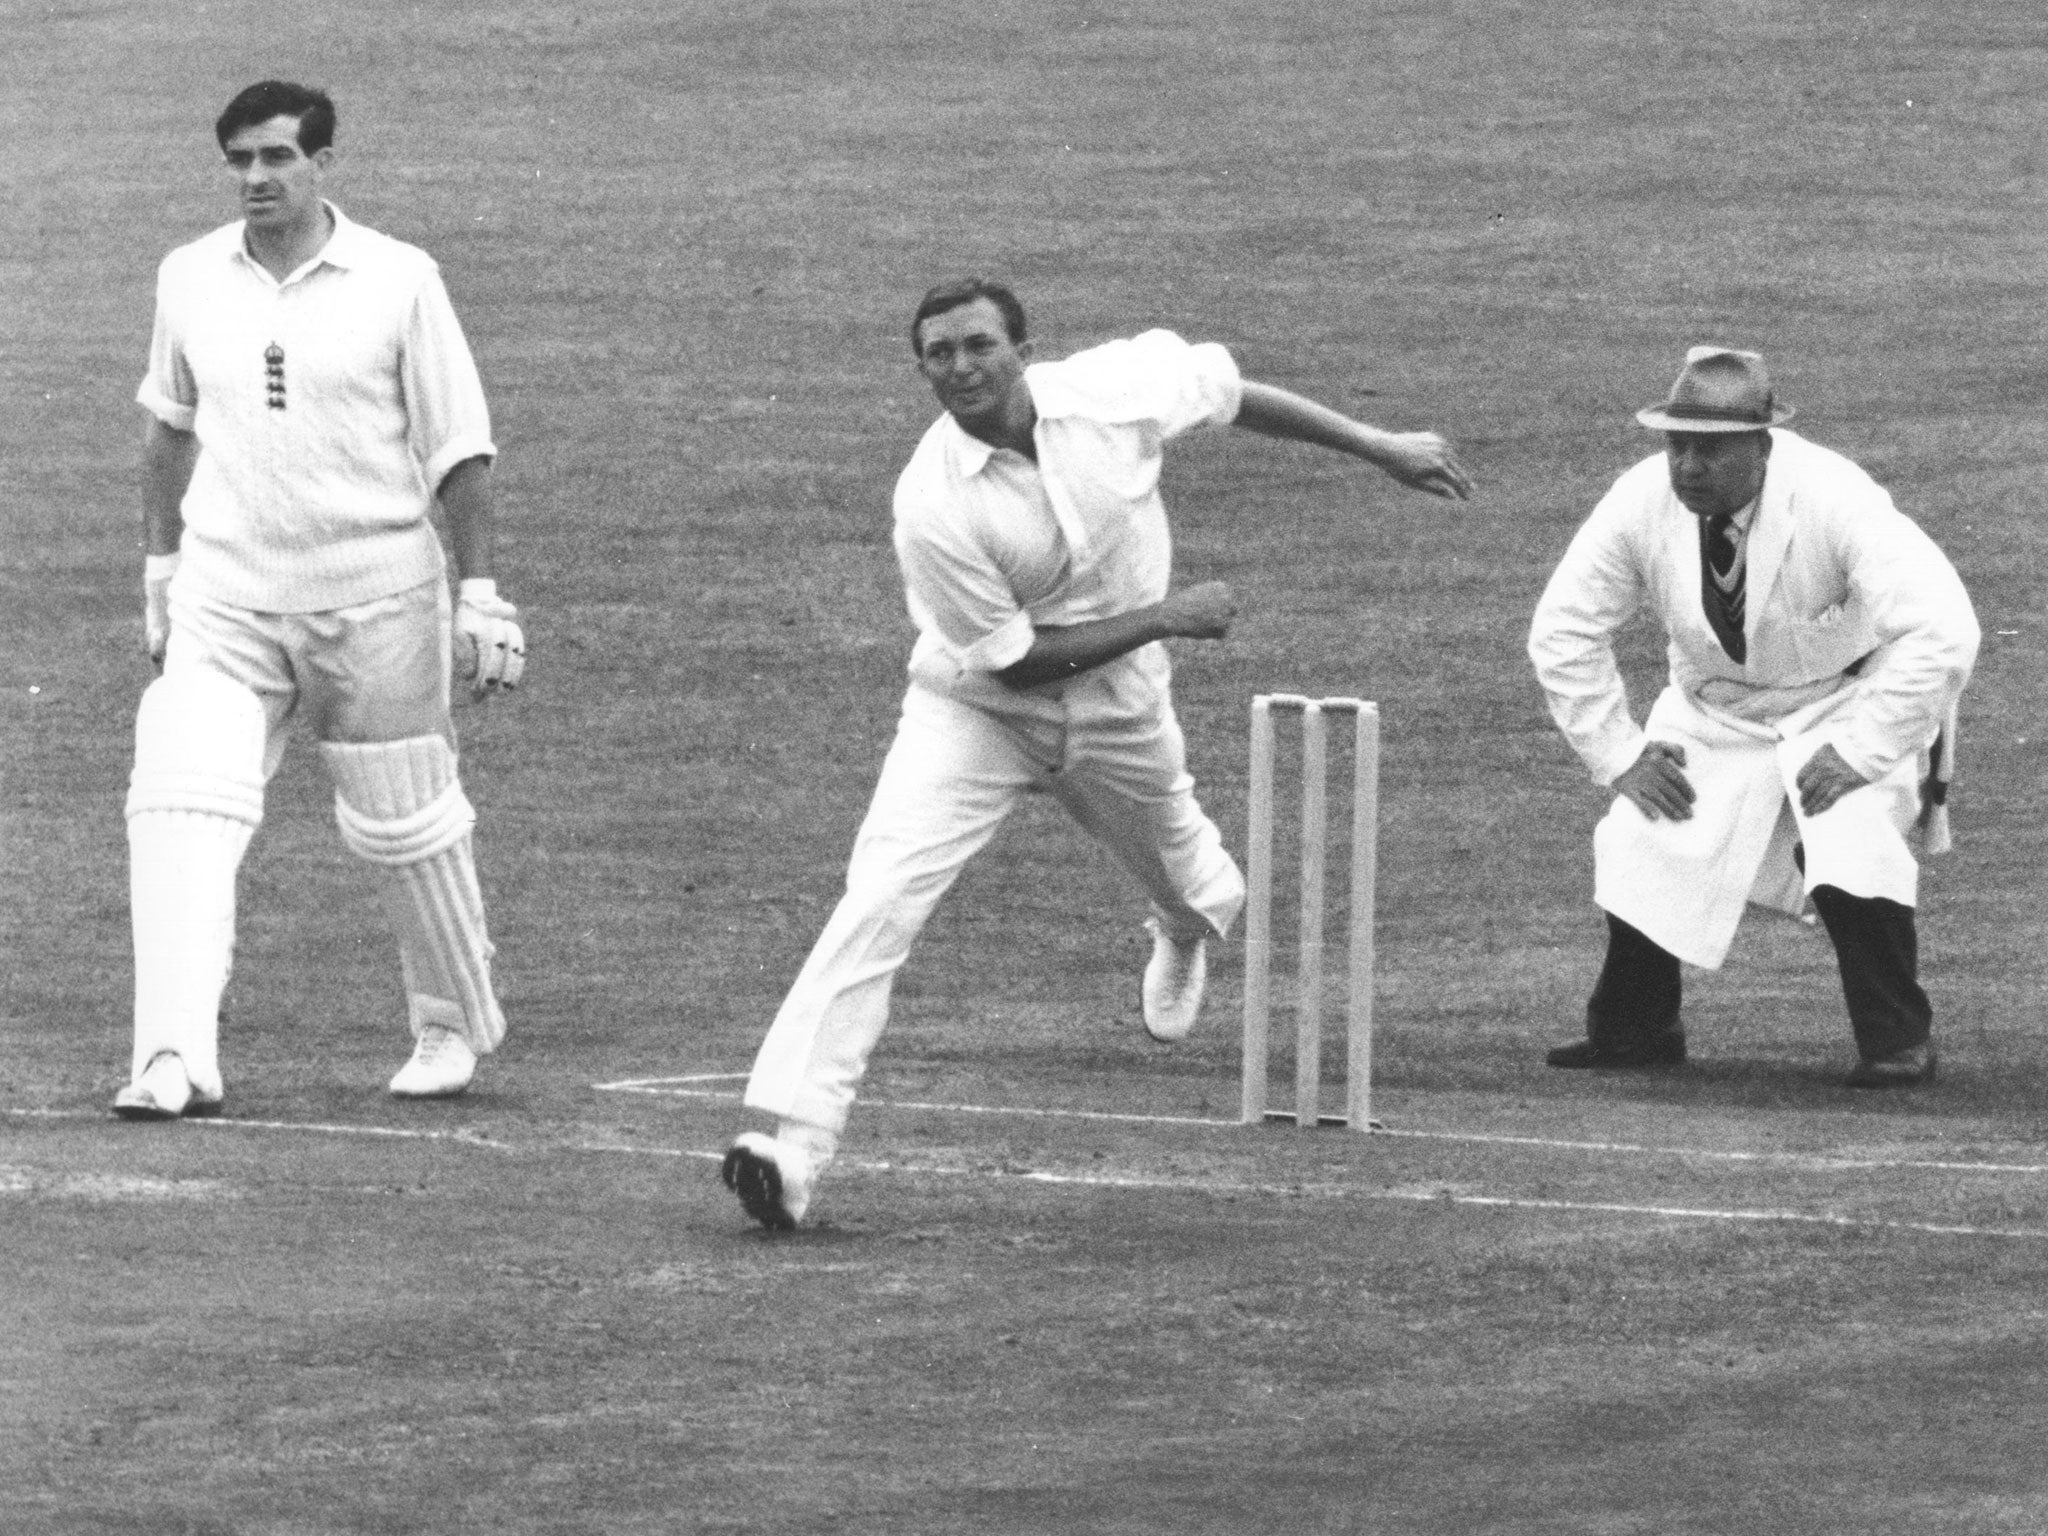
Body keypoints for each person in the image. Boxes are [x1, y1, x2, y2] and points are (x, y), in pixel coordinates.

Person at [721, 277, 1475, 1228]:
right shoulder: (929, 504)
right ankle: (786, 1147)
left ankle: (1185, 924)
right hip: (980, 711)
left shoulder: (1117, 389)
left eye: (978, 346)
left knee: (1193, 882)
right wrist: (1168, 616)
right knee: (879, 897)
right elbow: (1020, 665)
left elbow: (1235, 394)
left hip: (1122, 709)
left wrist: (1380, 447)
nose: (960, 368)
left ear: (1024, 350)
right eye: (938, 354)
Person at [112, 81, 526, 1120]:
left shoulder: (399, 278)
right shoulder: (188, 276)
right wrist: (160, 569)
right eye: (240, 160)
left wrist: (479, 594)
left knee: (405, 821)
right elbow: (167, 429)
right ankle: (172, 1057)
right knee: (179, 808)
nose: (257, 178)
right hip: (226, 591)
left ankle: (445, 1026)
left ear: (323, 162)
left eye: (278, 158)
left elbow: (458, 446)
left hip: (376, 591)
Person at [1528, 346, 1977, 1088]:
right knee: (1645, 829)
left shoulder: (1836, 496)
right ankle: (1636, 1031)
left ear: (1762, 447)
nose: (1688, 466)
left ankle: (1899, 1039)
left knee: (1849, 835)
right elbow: (1563, 629)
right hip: (1715, 710)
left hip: (1845, 701)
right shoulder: (1640, 500)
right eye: (1677, 444)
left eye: (1710, 448)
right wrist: (1620, 754)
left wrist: (1863, 751)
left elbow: (1945, 629)